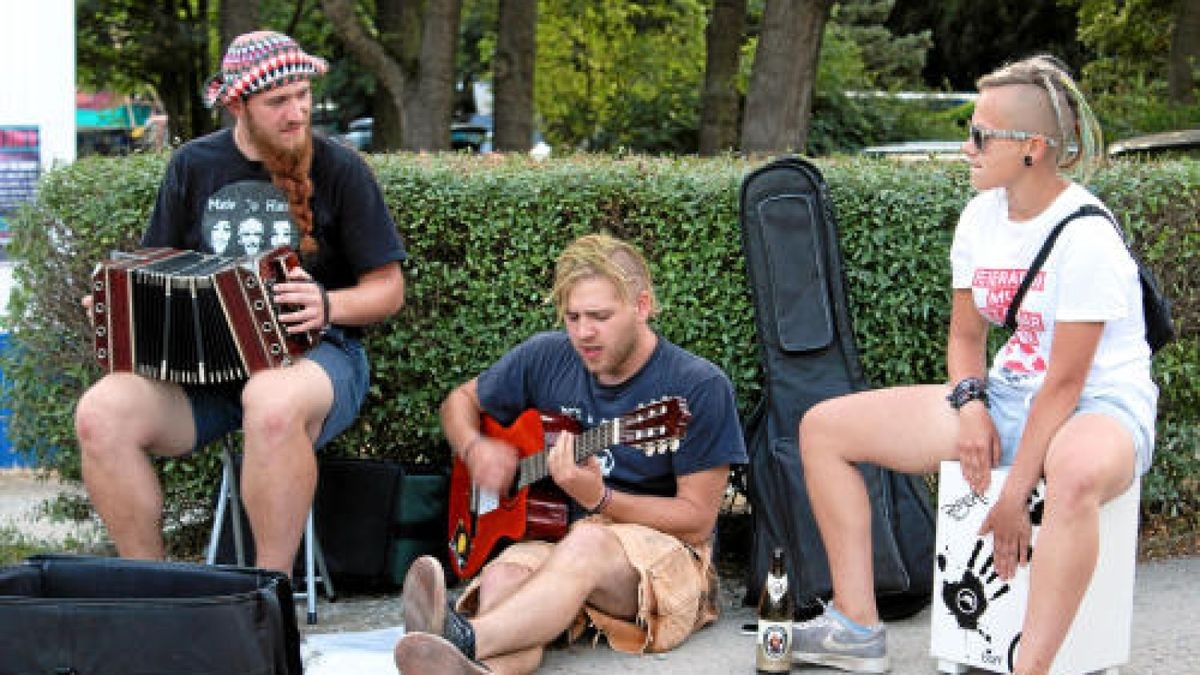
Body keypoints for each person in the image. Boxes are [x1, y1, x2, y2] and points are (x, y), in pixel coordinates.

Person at [791, 54, 1157, 675]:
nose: (967, 147)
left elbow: (1066, 384)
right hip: (1011, 394)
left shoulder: (1087, 236)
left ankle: (1030, 668)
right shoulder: (980, 218)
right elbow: (966, 341)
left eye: (981, 134)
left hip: (1098, 406)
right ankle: (855, 628)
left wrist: (1015, 495)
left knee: (1071, 474)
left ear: (1033, 149)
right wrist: (971, 405)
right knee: (823, 428)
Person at [74, 30, 407, 574]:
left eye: (302, 95)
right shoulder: (193, 165)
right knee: (100, 413)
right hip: (204, 375)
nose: (297, 111)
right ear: (237, 105)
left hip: (318, 360)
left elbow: (388, 290)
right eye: (279, 101)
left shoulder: (341, 168)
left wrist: (327, 305)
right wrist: (118, 308)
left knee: (271, 401)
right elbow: (154, 269)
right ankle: (154, 590)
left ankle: (265, 598)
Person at [393, 233, 748, 674]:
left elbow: (697, 520)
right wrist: (475, 446)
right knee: (504, 580)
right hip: (558, 544)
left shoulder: (697, 387)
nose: (584, 333)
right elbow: (458, 402)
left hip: (661, 561)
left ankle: (463, 637)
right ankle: (479, 669)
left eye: (599, 316)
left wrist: (600, 499)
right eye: (573, 317)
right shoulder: (546, 356)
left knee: (587, 541)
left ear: (642, 306)